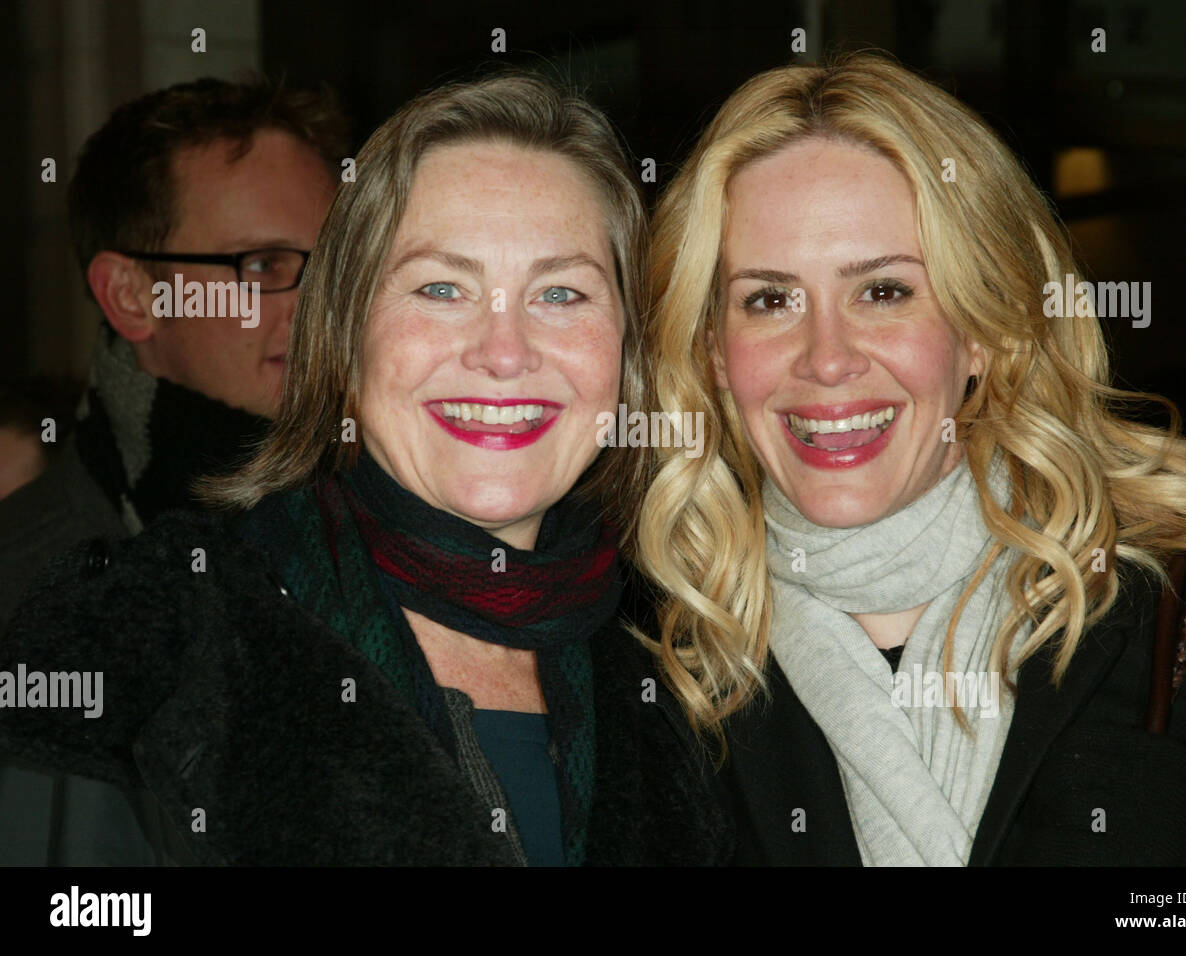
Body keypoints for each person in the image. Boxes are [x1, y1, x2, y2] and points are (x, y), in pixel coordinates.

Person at [0, 72, 730, 866]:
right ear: (343, 338)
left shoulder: (685, 692)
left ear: (628, 354)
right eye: (442, 287)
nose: (505, 352)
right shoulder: (151, 648)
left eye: (561, 293)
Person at [636, 52, 1186, 865]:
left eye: (883, 291)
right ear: (711, 352)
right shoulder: (666, 684)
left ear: (984, 327)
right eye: (769, 300)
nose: (827, 358)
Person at [0, 75, 347, 629]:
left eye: (336, 266)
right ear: (131, 297)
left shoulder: (416, 526)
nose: (319, 307)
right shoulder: (27, 590)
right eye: (262, 265)